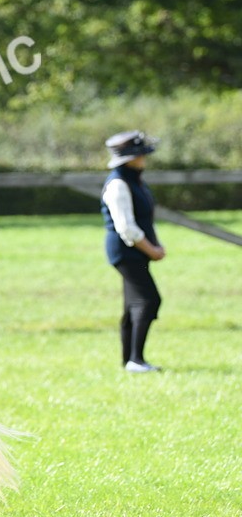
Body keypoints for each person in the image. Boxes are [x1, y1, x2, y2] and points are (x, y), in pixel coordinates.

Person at [101, 130, 165, 373]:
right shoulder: (118, 184)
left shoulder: (133, 180)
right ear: (130, 158)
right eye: (140, 154)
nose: (144, 158)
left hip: (135, 251)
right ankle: (136, 360)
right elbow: (126, 228)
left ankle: (130, 360)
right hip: (126, 251)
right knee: (148, 300)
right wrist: (152, 249)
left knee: (133, 305)